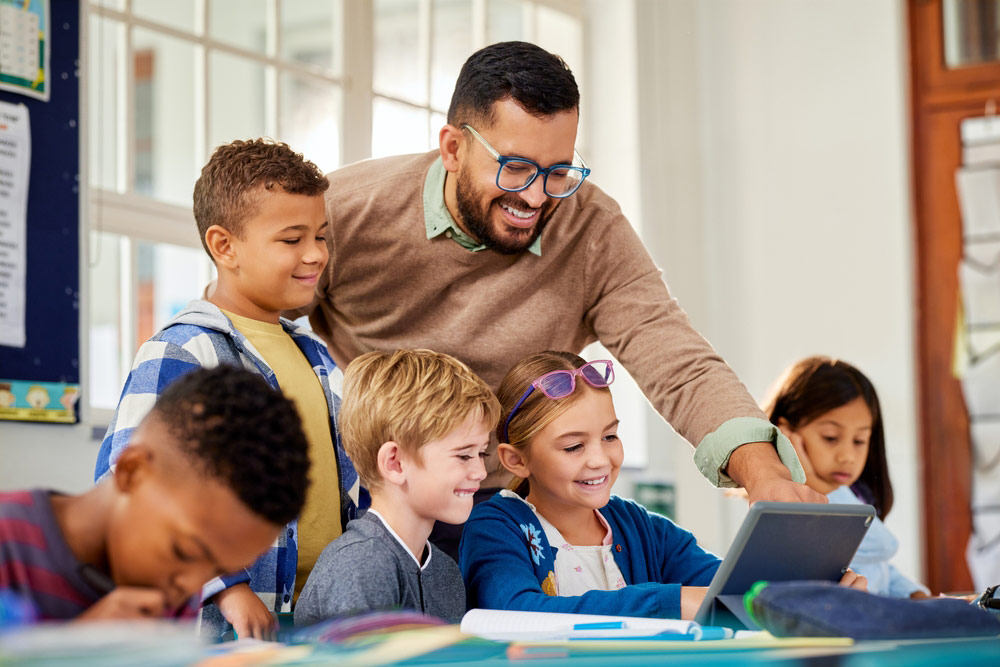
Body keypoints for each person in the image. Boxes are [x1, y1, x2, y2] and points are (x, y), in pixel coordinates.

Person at [299, 42, 818, 555]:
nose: (536, 197)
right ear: (454, 148)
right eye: (517, 168)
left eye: (559, 171)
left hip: (512, 510)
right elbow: (247, 334)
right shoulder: (345, 210)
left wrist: (764, 475)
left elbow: (677, 359)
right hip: (374, 503)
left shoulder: (591, 228)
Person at [93, 138, 363, 639]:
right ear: (224, 246)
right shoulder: (182, 352)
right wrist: (225, 586)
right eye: (291, 239)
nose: (315, 254)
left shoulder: (320, 359)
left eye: (322, 236)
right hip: (224, 627)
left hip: (315, 618)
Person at [1, 366, 308, 623]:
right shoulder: (9, 542)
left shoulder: (170, 588)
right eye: (183, 552)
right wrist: (79, 646)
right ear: (131, 471)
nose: (188, 587)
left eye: (218, 571)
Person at [295, 349, 500, 626]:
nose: (480, 472)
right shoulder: (362, 565)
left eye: (482, 453)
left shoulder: (445, 571)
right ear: (395, 463)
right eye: (464, 455)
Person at [762, 356, 930, 599]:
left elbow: (879, 568)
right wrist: (814, 483)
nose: (848, 456)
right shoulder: (788, 510)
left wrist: (918, 596)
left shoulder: (855, 494)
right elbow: (884, 546)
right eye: (831, 437)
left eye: (859, 440)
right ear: (787, 434)